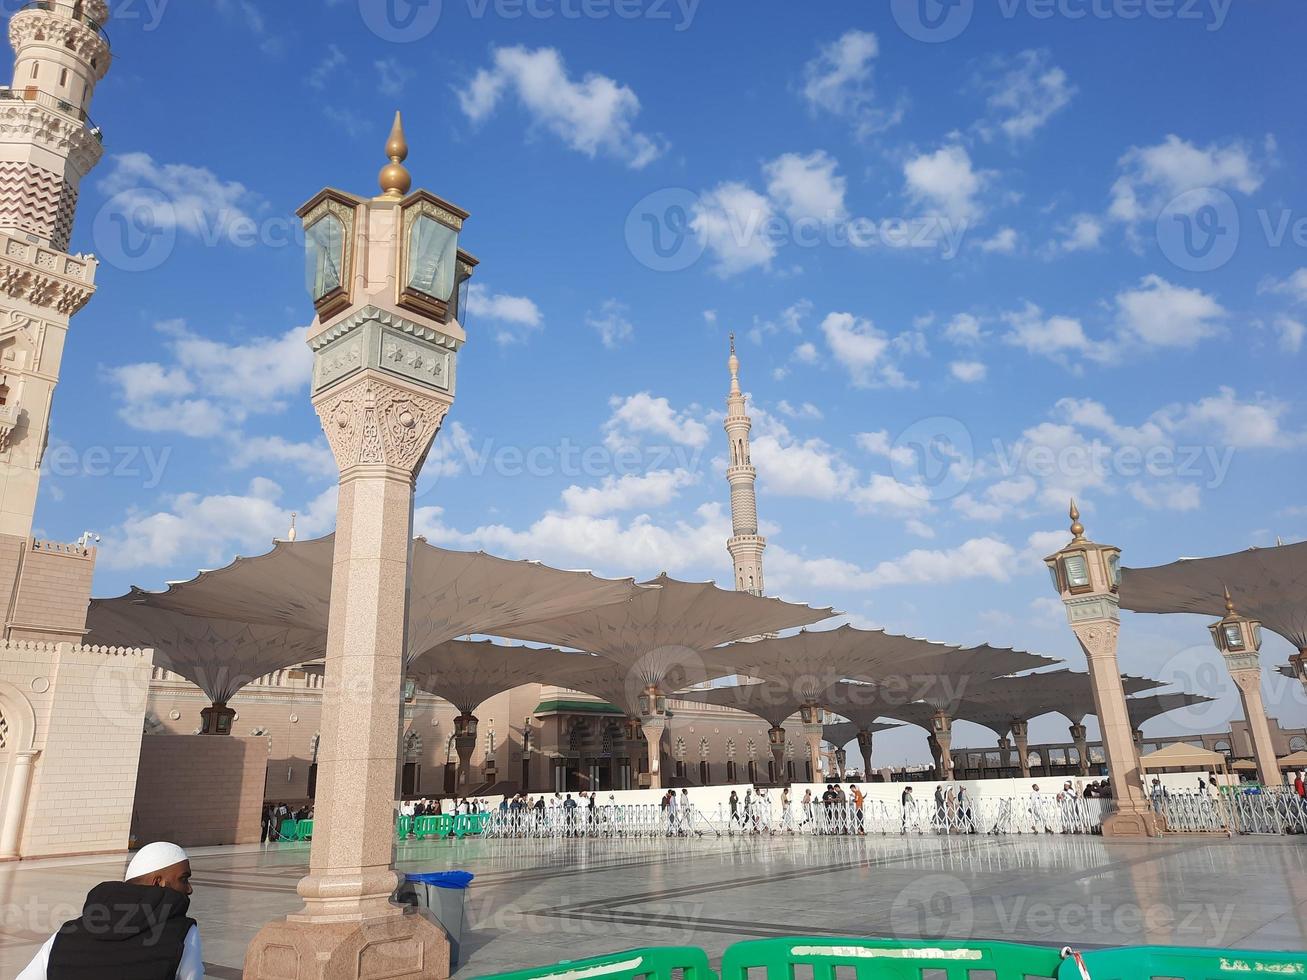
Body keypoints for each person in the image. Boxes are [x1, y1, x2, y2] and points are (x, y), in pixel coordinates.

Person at [18, 842, 203, 980]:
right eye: (184, 879)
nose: (189, 889)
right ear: (158, 882)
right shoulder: (183, 934)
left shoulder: (65, 934)